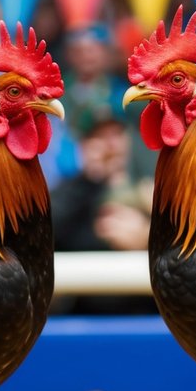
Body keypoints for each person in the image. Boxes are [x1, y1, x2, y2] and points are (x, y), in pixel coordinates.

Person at [49, 106, 157, 314]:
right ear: (83, 145)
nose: (110, 144)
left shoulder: (152, 188)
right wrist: (91, 178)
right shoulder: (71, 193)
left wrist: (147, 238)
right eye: (98, 137)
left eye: (116, 134)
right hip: (85, 313)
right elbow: (48, 232)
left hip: (147, 312)